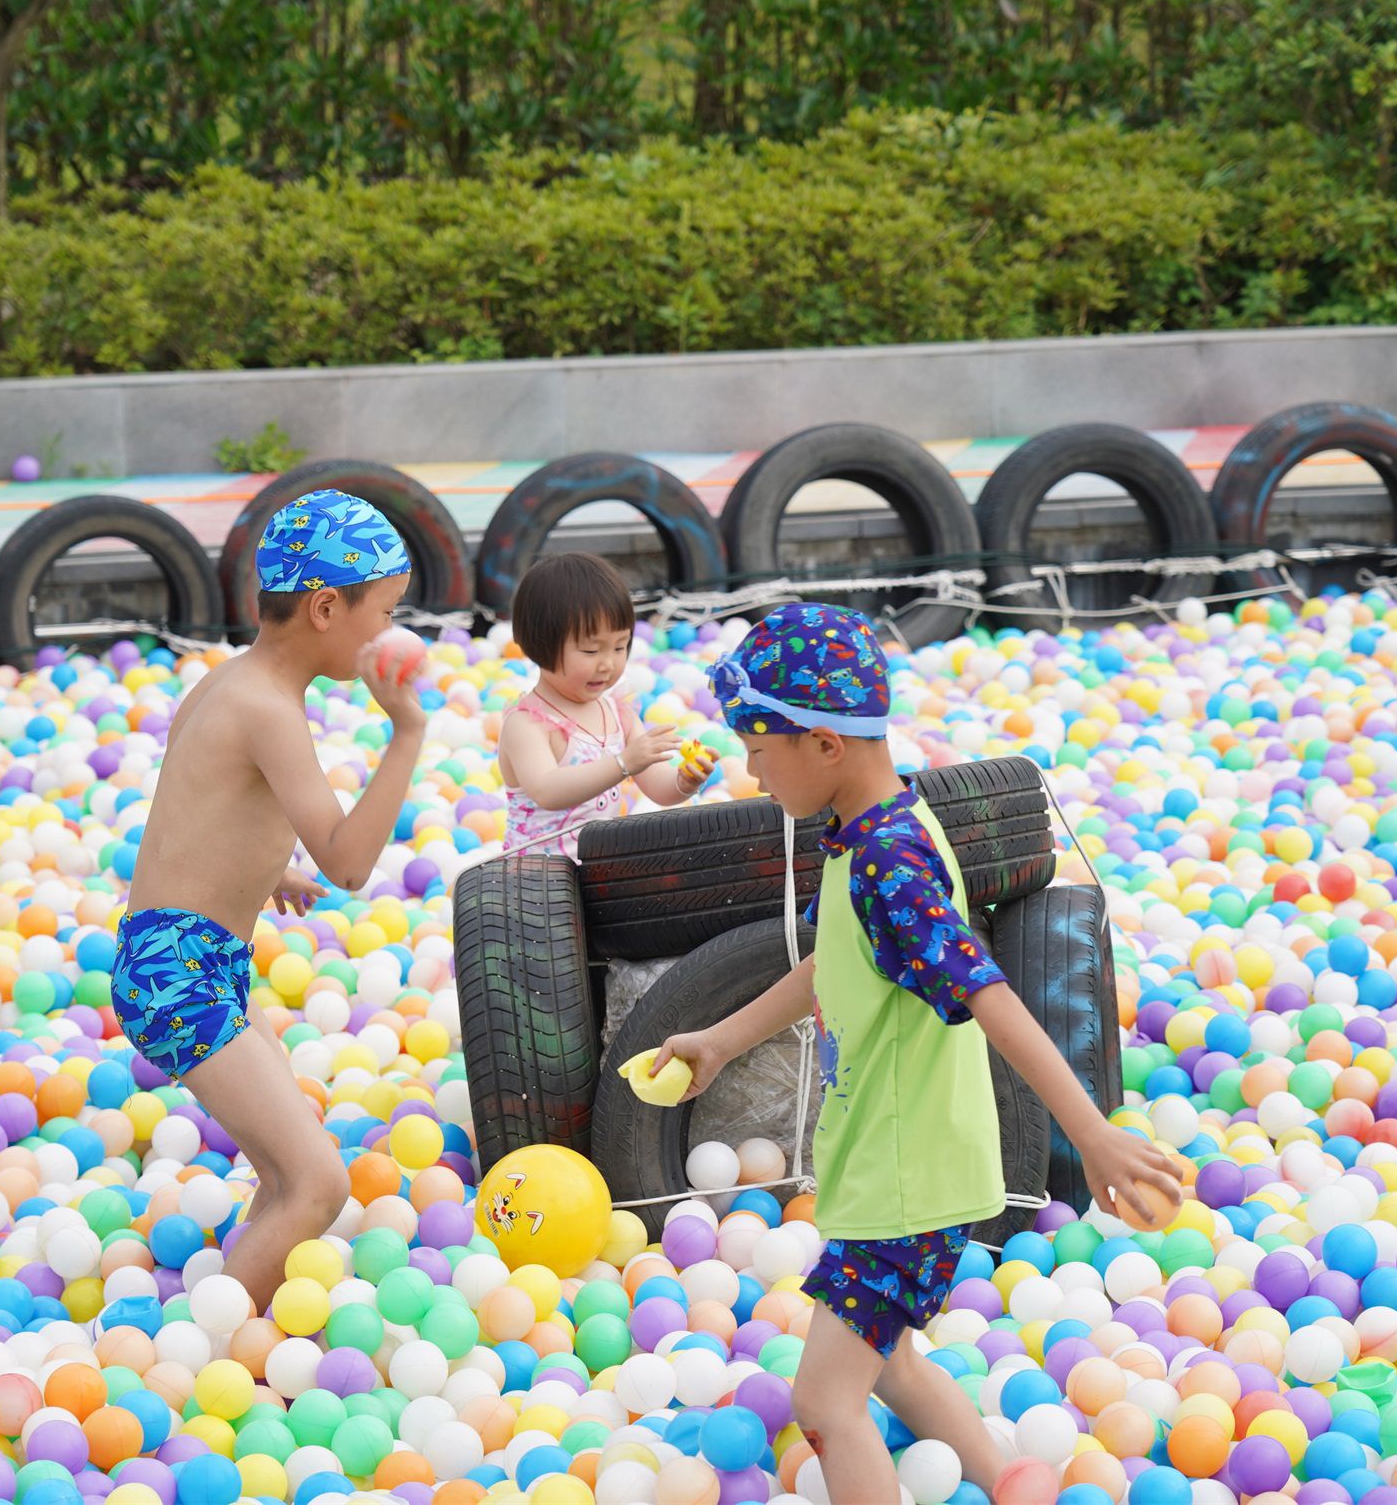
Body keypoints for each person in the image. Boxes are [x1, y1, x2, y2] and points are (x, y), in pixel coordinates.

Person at [647, 603, 1181, 1502]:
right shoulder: (868, 833)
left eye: (758, 746)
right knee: (887, 1362)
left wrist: (1090, 1134)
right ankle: (1008, 1480)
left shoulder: (891, 861)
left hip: (905, 1181)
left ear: (824, 744)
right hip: (890, 1169)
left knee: (824, 1402)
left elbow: (990, 996)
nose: (750, 769)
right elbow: (835, 961)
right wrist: (721, 1039)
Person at [112, 489, 426, 1306]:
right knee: (318, 1183)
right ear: (325, 608)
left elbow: (194, 804)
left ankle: (238, 1312)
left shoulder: (229, 685)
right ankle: (207, 1346)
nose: (388, 633)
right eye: (385, 612)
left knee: (288, 1175)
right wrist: (406, 733)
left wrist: (262, 868)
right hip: (178, 973)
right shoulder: (270, 711)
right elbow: (349, 865)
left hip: (180, 957)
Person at [496, 552, 710, 858]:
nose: (608, 664)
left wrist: (683, 781)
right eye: (590, 650)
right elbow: (547, 790)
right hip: (535, 879)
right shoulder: (528, 723)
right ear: (540, 644)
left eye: (620, 647)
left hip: (597, 870)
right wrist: (622, 763)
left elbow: (659, 789)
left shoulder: (618, 713)